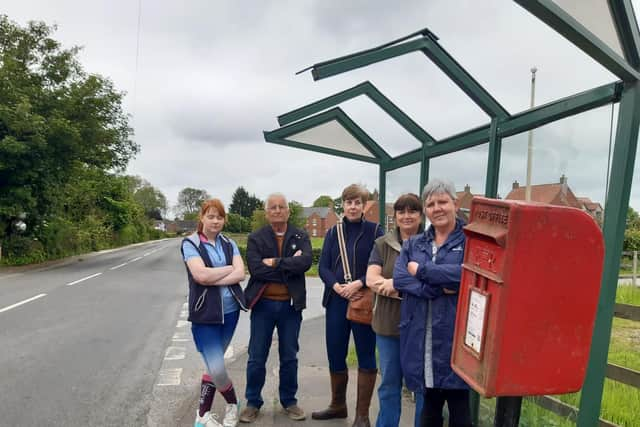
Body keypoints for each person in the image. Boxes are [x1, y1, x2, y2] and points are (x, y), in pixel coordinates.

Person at [393, 179, 471, 427]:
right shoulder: (414, 243)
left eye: (442, 202)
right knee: (429, 412)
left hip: (454, 341)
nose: (437, 208)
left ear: (455, 204)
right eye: (431, 204)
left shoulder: (470, 241)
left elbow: (467, 274)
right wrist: (436, 288)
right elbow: (400, 279)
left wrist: (424, 271)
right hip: (421, 340)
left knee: (460, 413)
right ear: (426, 210)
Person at [313, 184, 384, 427]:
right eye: (348, 202)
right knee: (335, 353)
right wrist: (336, 286)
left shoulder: (376, 231)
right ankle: (337, 405)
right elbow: (323, 267)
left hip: (363, 301)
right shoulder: (333, 232)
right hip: (336, 301)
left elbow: (382, 264)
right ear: (343, 204)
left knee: (366, 356)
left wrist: (359, 283)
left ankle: (362, 416)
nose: (352, 207)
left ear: (364, 206)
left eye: (357, 202)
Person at [239, 193, 312, 423]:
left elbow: (306, 262)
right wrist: (289, 265)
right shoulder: (256, 237)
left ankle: (289, 401)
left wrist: (275, 262)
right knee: (256, 356)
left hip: (291, 308)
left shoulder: (300, 235)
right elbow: (256, 269)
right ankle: (253, 402)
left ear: (288, 211)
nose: (278, 210)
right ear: (267, 212)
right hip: (263, 306)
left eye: (282, 207)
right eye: (273, 207)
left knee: (289, 356)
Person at [181, 199, 247, 427]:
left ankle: (202, 414)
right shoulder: (190, 244)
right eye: (210, 216)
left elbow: (241, 274)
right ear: (202, 218)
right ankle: (232, 403)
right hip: (205, 315)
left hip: (230, 314)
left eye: (219, 216)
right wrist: (229, 269)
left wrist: (218, 274)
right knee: (217, 367)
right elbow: (201, 276)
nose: (215, 221)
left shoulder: (229, 243)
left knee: (212, 365)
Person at [365, 193, 424, 427]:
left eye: (412, 211)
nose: (407, 216)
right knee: (389, 384)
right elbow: (371, 278)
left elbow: (433, 282)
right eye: (402, 211)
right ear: (395, 216)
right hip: (388, 325)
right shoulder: (382, 244)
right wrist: (410, 288)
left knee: (422, 386)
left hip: (422, 326)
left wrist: (395, 285)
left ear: (420, 215)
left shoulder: (431, 243)